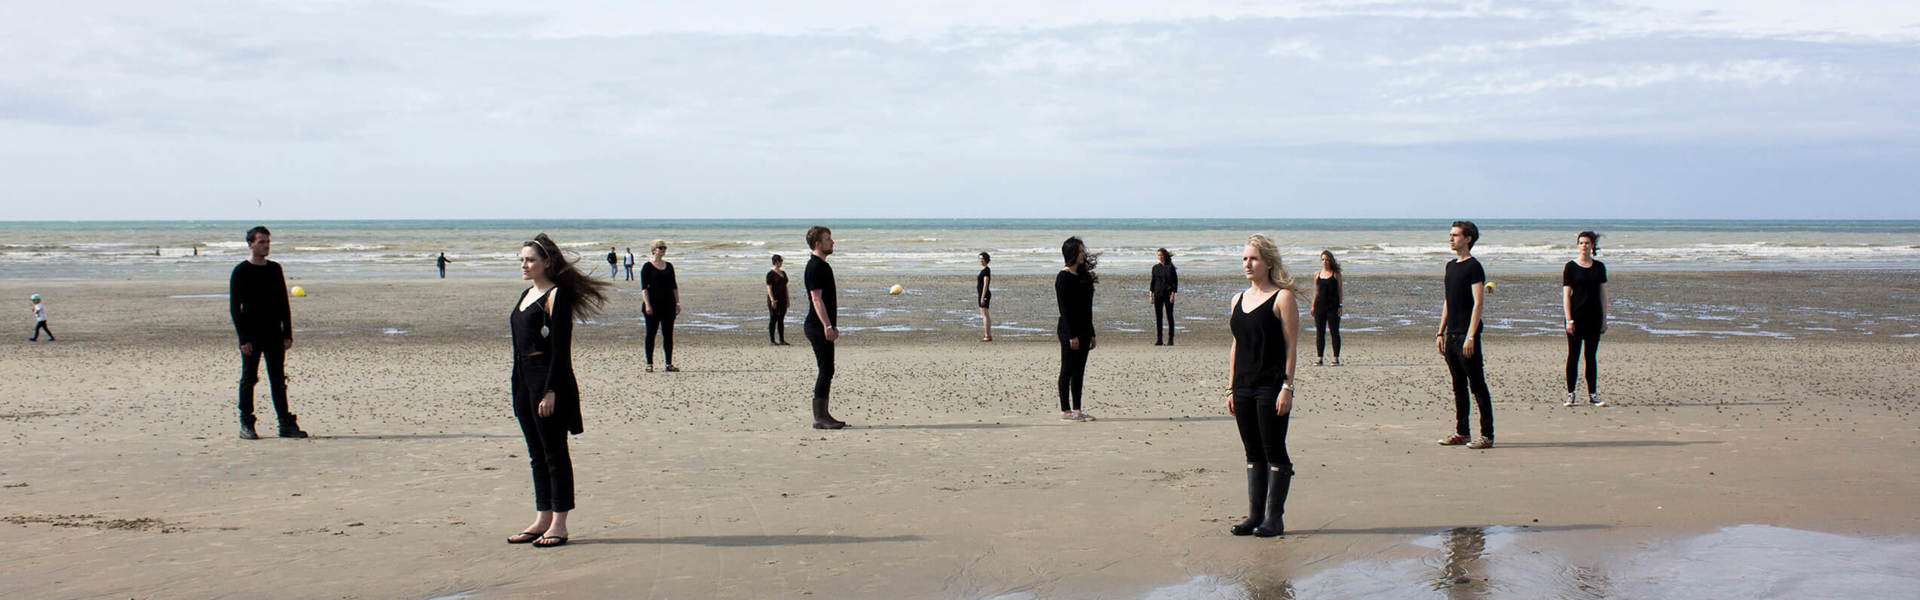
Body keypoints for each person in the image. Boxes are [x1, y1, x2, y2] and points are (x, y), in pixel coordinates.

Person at [506, 233, 611, 549]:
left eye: (530, 260)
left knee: (554, 453)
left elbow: (561, 350)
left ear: (546, 263)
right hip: (523, 380)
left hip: (547, 380)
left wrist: (551, 390)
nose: (524, 265)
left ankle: (560, 524)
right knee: (536, 454)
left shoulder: (556, 296)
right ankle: (541, 518)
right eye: (522, 260)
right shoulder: (526, 294)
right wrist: (517, 387)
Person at [1225, 234, 1301, 538]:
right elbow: (1235, 345)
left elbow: (1291, 346)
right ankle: (1254, 515)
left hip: (1271, 386)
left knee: (1274, 449)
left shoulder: (1283, 297)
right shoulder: (1237, 299)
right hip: (1243, 385)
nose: (1247, 264)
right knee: (1252, 451)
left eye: (1253, 258)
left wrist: (1288, 387)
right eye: (1244, 258)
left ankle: (1274, 518)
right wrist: (1231, 388)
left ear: (1268, 263)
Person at [229, 226, 305, 440]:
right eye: (262, 242)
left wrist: (287, 333)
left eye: (268, 242)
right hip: (252, 336)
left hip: (274, 334)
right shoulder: (241, 271)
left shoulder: (274, 269)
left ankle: (285, 424)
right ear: (251, 244)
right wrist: (242, 338)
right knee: (249, 379)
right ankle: (247, 423)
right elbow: (235, 308)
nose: (266, 246)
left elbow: (283, 302)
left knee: (278, 380)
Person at [1436, 221, 1493, 450]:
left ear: (1468, 238)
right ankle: (1461, 432)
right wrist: (1440, 332)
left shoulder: (1474, 267)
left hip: (1467, 336)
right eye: (1450, 235)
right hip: (1451, 335)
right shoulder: (1450, 266)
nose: (1451, 239)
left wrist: (1471, 336)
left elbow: (1478, 303)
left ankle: (1487, 435)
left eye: (1455, 235)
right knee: (1458, 386)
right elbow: (1448, 301)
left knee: (1477, 386)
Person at [803, 226, 847, 429]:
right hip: (816, 326)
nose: (832, 242)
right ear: (818, 243)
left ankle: (823, 414)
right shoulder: (815, 267)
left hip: (823, 325)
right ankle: (820, 417)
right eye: (828, 239)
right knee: (826, 369)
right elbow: (816, 299)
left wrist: (832, 324)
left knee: (828, 369)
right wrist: (827, 325)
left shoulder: (823, 266)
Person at [1563, 231, 1609, 407]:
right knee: (1573, 356)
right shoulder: (1571, 267)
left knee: (1591, 357)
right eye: (1581, 243)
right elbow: (1566, 295)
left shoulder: (1599, 267)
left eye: (1587, 243)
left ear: (1592, 246)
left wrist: (1604, 319)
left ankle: (1592, 394)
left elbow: (1604, 294)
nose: (1584, 246)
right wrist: (1569, 319)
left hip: (1594, 317)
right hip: (1576, 316)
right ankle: (1570, 394)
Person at [1056, 237, 1099, 422]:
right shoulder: (1063, 277)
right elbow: (1064, 309)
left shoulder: (1084, 276)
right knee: (1068, 369)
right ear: (1072, 253)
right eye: (1080, 251)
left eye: (1083, 250)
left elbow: (1088, 308)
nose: (1084, 253)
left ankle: (1078, 409)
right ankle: (1066, 411)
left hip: (1084, 328)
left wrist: (1092, 333)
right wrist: (1071, 335)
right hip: (1068, 329)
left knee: (1079, 370)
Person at [640, 240, 680, 372]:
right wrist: (647, 305)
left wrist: (677, 303)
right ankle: (649, 364)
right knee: (651, 334)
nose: (663, 250)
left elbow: (674, 286)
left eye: (665, 248)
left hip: (668, 304)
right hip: (653, 304)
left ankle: (669, 364)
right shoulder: (647, 267)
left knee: (668, 334)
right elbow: (644, 288)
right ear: (654, 250)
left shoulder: (669, 266)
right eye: (660, 248)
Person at [1312, 250, 1343, 366]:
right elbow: (1316, 291)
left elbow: (1340, 291)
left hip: (1333, 307)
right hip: (1320, 307)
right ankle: (1320, 358)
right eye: (1323, 259)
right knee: (1320, 332)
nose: (1325, 261)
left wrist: (1340, 305)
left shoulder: (1336, 274)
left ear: (1331, 261)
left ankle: (1336, 358)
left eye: (1327, 259)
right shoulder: (1317, 274)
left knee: (1334, 332)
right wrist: (1313, 306)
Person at [1150, 248, 1178, 345]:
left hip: (1168, 294)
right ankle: (1159, 339)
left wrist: (1173, 294)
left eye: (1161, 255)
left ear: (1165, 256)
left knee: (1169, 316)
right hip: (1158, 294)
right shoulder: (1155, 268)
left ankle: (1171, 339)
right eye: (1158, 255)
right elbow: (1153, 282)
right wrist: (1151, 294)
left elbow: (1175, 282)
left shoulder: (1171, 267)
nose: (1160, 257)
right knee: (1158, 317)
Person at [766, 254, 790, 346]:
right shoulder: (770, 274)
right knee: (773, 318)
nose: (781, 263)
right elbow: (769, 288)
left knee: (781, 319)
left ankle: (782, 340)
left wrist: (788, 299)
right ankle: (772, 340)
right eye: (780, 261)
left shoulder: (783, 273)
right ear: (776, 262)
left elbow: (785, 287)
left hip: (782, 299)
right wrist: (772, 300)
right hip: (774, 299)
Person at [977, 252, 993, 342]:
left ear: (986, 259)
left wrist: (982, 297)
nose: (981, 261)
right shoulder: (983, 270)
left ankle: (987, 336)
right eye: (979, 259)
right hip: (982, 294)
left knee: (985, 315)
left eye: (982, 259)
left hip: (984, 294)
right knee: (984, 314)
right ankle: (988, 335)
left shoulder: (986, 270)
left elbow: (985, 284)